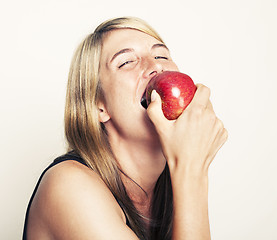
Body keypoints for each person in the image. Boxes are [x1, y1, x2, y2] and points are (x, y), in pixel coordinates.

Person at [23, 17, 228, 240]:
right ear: (98, 106)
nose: (156, 66)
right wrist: (192, 169)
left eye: (161, 56)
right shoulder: (68, 185)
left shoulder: (170, 186)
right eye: (127, 62)